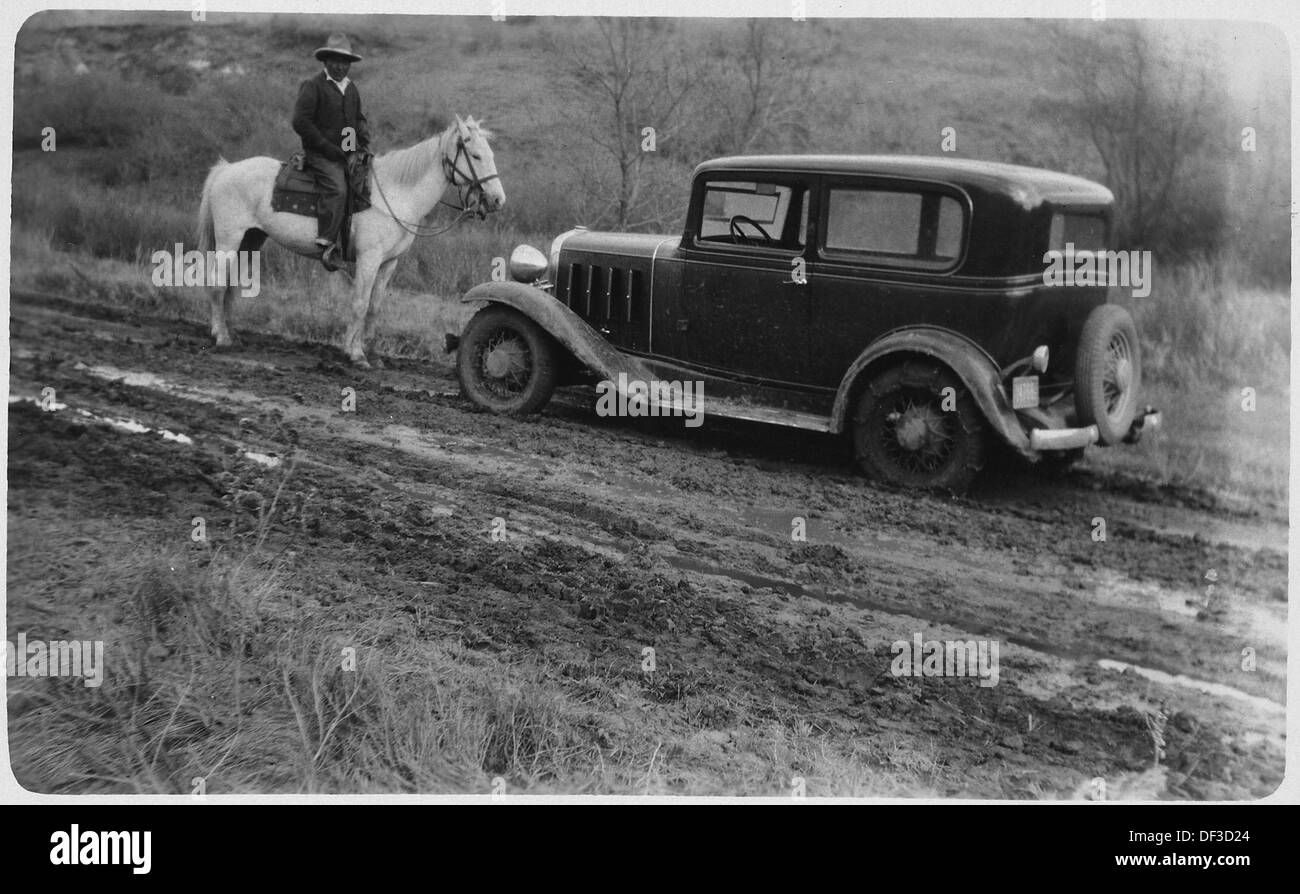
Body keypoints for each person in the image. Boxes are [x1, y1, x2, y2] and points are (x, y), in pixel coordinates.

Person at [292, 33, 371, 270]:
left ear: (349, 65)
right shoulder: (314, 86)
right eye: (334, 61)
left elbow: (356, 119)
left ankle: (352, 242)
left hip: (344, 153)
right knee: (337, 189)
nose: (339, 66)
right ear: (325, 61)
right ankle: (326, 242)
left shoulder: (351, 89)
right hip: (320, 154)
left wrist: (359, 145)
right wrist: (329, 148)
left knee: (364, 186)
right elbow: (301, 122)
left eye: (344, 62)